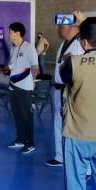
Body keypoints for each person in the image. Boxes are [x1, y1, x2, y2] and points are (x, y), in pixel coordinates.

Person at [55, 16, 96, 190]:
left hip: (77, 135)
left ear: (83, 41)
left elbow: (60, 78)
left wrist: (71, 55)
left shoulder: (74, 63)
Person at [45, 12, 84, 167]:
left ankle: (85, 168)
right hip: (58, 89)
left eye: (61, 26)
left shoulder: (81, 43)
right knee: (58, 122)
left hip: (72, 90)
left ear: (72, 26)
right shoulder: (63, 44)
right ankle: (60, 156)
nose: (58, 29)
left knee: (76, 126)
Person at [6, 22, 38, 154]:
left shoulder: (29, 48)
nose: (9, 34)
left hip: (25, 88)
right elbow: (13, 66)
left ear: (17, 33)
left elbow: (35, 67)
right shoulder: (13, 49)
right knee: (17, 114)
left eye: (10, 32)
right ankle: (20, 139)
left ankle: (30, 143)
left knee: (26, 116)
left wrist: (31, 82)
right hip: (13, 87)